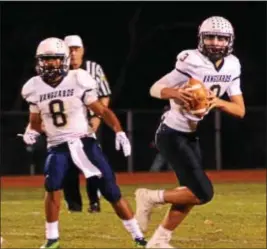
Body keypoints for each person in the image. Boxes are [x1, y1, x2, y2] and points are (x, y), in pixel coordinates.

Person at [21, 37, 147, 249]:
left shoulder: (78, 78)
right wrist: (30, 132)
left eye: (54, 59)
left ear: (65, 60)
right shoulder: (33, 87)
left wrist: (119, 131)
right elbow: (35, 122)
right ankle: (52, 239)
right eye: (46, 59)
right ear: (39, 61)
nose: (50, 63)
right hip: (57, 145)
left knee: (111, 190)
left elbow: (101, 110)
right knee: (52, 186)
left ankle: (138, 236)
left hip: (83, 141)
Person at [135, 16, 245, 248]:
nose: (215, 43)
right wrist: (175, 93)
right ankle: (149, 197)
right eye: (210, 37)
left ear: (230, 41)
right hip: (171, 133)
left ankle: (159, 240)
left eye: (221, 38)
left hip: (190, 134)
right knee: (203, 193)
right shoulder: (191, 60)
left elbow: (240, 110)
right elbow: (155, 88)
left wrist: (218, 102)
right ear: (201, 39)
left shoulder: (233, 64)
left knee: (190, 193)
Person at [62, 35, 112, 213]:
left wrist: (98, 118)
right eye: (69, 49)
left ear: (83, 50)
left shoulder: (93, 68)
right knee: (68, 165)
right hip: (65, 126)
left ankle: (94, 201)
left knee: (93, 162)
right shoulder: (57, 70)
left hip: (89, 122)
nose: (73, 53)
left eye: (76, 49)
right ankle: (74, 205)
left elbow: (104, 95)